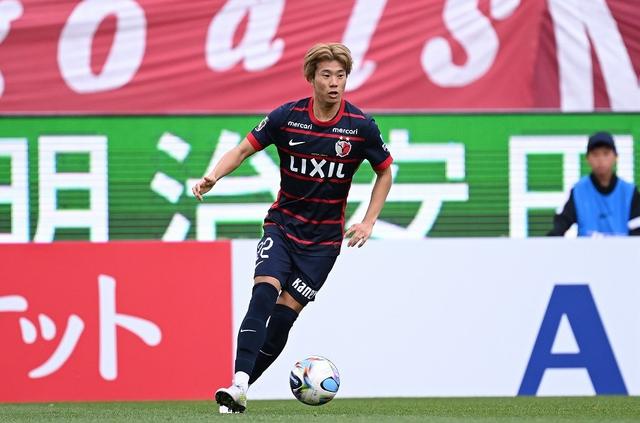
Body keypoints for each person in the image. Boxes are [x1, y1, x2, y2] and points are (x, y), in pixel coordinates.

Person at [192, 42, 393, 413]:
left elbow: (384, 172)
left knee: (283, 320)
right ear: (311, 78)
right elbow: (242, 149)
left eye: (341, 75)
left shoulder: (361, 127)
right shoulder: (287, 117)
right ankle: (238, 383)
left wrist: (368, 220)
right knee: (262, 295)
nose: (334, 83)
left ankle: (241, 389)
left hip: (322, 245)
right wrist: (213, 176)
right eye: (326, 75)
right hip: (282, 228)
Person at [548, 131, 640, 237]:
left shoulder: (629, 192)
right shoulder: (579, 191)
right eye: (595, 154)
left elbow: (637, 231)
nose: (601, 160)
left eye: (606, 153)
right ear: (587, 159)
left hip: (623, 248)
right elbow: (561, 224)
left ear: (615, 157)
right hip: (586, 248)